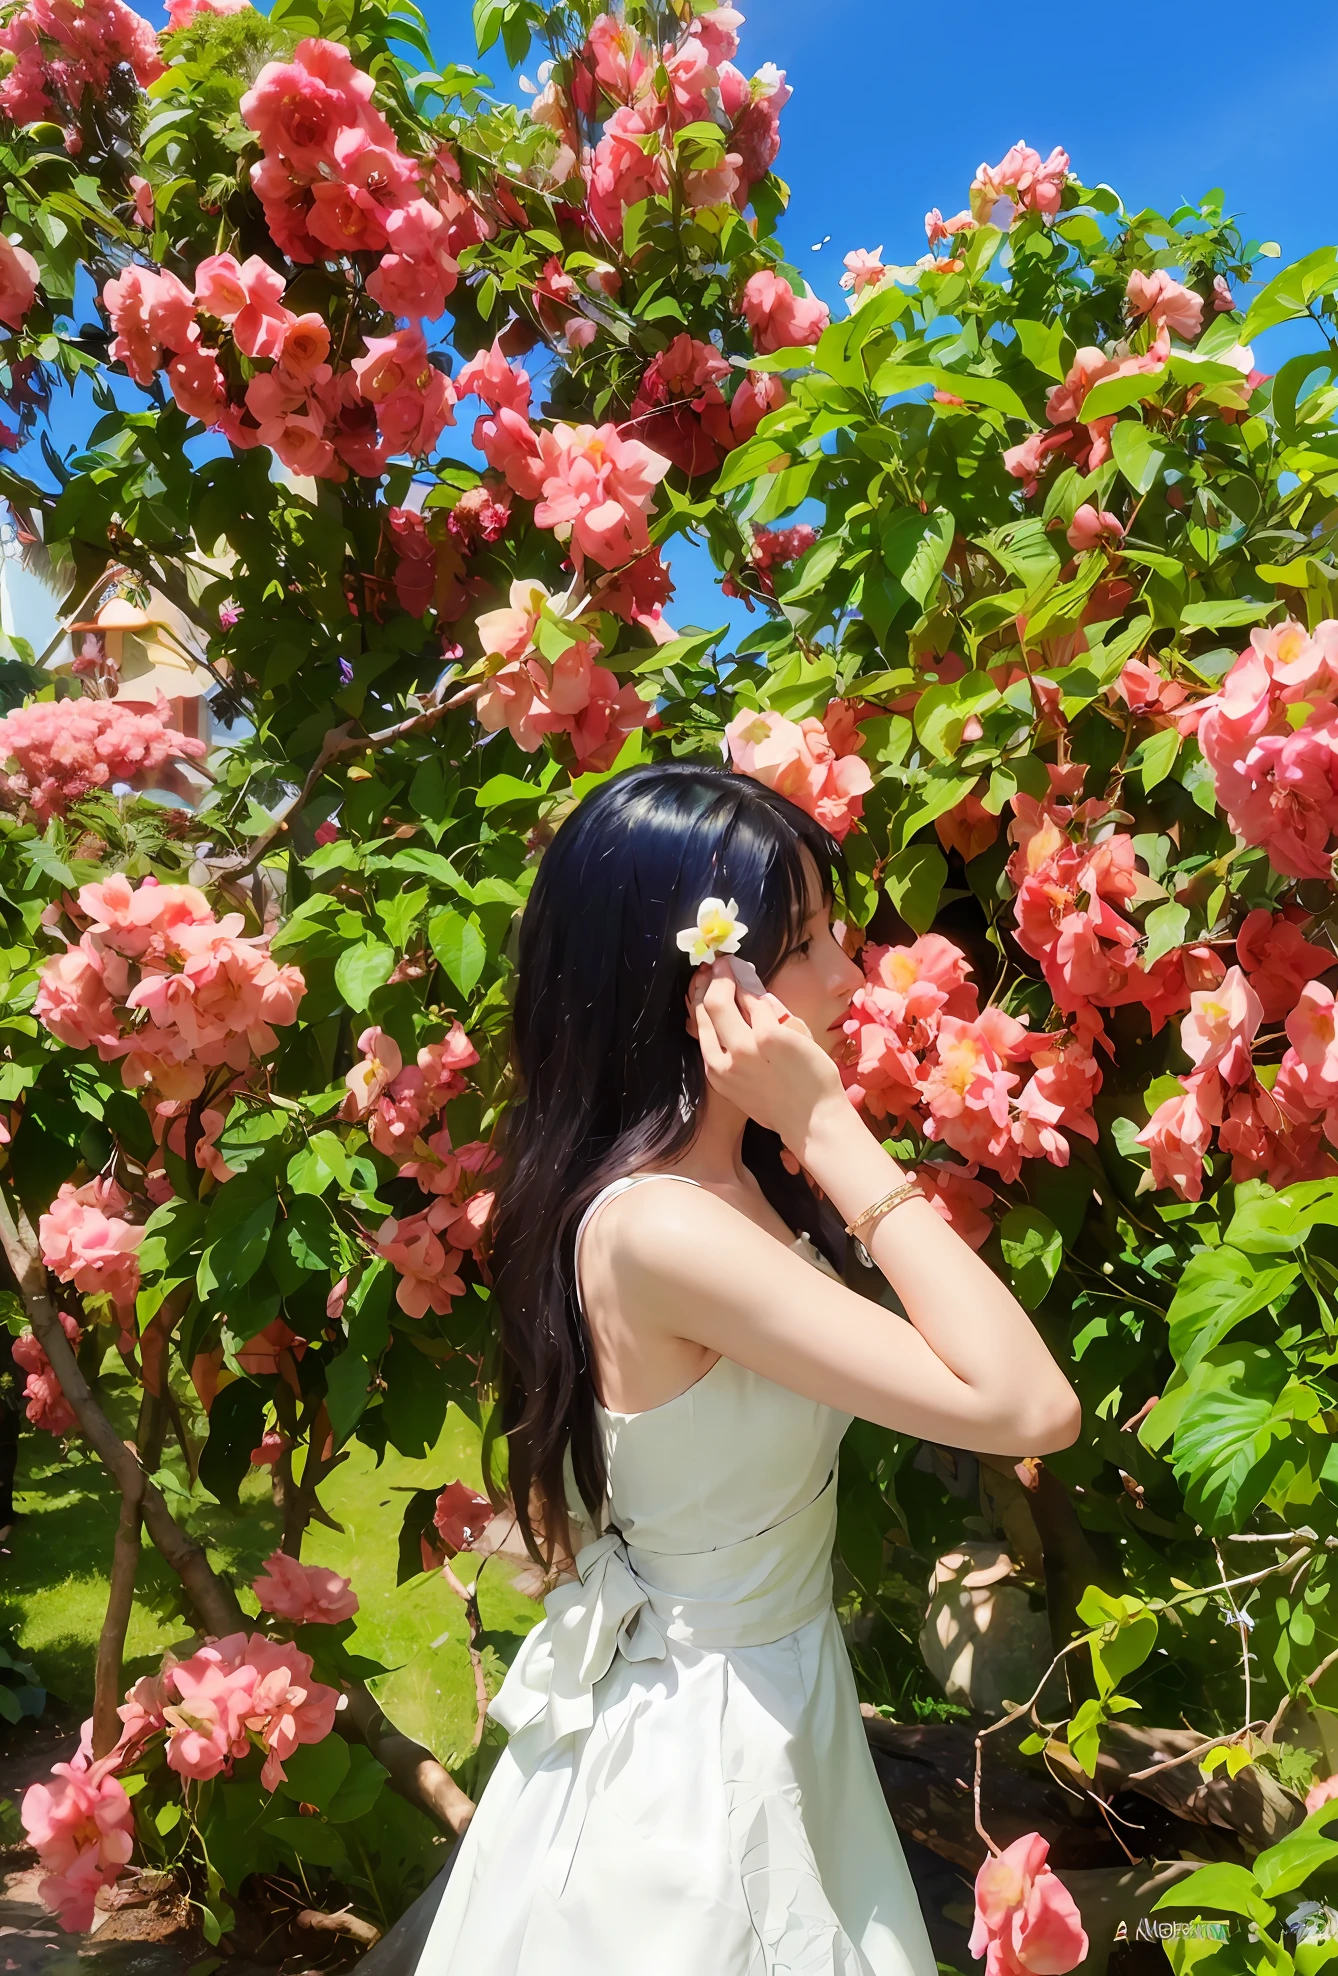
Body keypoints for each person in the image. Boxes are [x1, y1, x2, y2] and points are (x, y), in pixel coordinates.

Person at [397, 761, 1080, 1975]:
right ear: (706, 986)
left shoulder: (724, 1192)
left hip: (761, 1705)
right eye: (808, 941)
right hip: (705, 1768)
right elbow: (1028, 1405)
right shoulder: (666, 1226)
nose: (848, 974)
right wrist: (832, 1129)